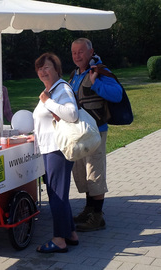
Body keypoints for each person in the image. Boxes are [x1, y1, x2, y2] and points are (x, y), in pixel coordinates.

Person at [27, 52, 79, 253]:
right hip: (50, 148)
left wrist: (47, 101)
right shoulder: (50, 90)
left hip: (58, 149)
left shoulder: (62, 89)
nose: (42, 71)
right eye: (39, 68)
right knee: (59, 193)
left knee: (56, 195)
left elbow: (72, 114)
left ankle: (59, 239)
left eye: (46, 67)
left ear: (57, 69)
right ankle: (71, 233)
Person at [69, 38, 123, 231]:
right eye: (74, 52)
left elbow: (117, 94)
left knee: (95, 173)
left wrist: (95, 83)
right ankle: (89, 210)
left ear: (91, 52)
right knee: (83, 172)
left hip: (96, 132)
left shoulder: (99, 72)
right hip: (80, 133)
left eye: (81, 52)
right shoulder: (75, 74)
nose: (77, 56)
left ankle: (98, 217)